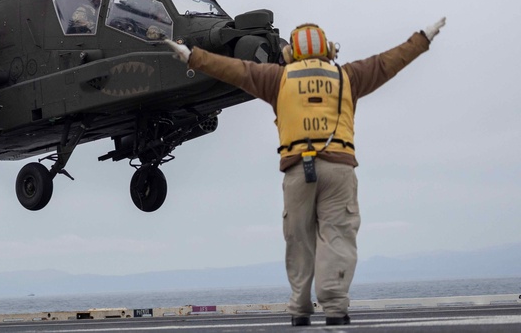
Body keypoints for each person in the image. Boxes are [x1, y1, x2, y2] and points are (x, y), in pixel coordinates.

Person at [166, 18, 445, 327]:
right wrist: (421, 39)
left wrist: (193, 56)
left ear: (291, 54)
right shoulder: (347, 76)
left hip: (298, 170)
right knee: (336, 236)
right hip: (339, 169)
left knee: (299, 240)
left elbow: (235, 70)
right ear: (328, 50)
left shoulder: (278, 78)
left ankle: (300, 308)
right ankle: (335, 308)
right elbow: (387, 63)